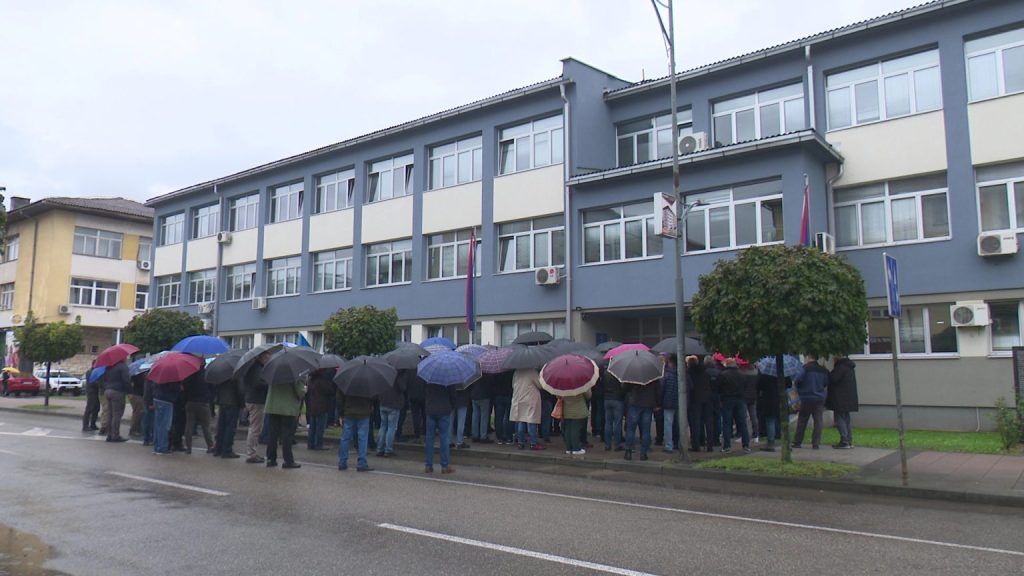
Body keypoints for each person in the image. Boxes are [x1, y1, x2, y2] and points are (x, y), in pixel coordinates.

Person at [264, 374, 303, 469]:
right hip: (287, 408)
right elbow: (300, 392)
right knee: (287, 435)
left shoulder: (273, 372)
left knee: (272, 434)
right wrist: (304, 387)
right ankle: (288, 460)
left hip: (272, 406)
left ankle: (270, 459)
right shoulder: (295, 374)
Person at [792, 355, 829, 449]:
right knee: (818, 421)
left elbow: (797, 380)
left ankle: (797, 442)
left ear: (809, 357)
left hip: (806, 398)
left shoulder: (805, 368)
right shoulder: (822, 370)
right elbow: (826, 383)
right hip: (819, 398)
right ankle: (816, 443)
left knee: (802, 420)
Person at [716, 357, 750, 453]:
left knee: (727, 423)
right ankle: (746, 445)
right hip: (740, 399)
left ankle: (727, 446)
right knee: (742, 423)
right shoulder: (742, 375)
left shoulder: (723, 375)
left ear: (727, 364)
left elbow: (718, 387)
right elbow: (745, 387)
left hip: (727, 400)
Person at [243, 351, 272, 464]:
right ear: (261, 357)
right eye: (266, 356)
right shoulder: (257, 369)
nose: (268, 358)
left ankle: (252, 452)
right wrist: (268, 383)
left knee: (255, 427)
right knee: (255, 428)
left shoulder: (255, 368)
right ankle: (251, 454)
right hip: (256, 400)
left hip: (253, 399)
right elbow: (257, 384)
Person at [623, 376, 660, 461]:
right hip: (648, 404)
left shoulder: (632, 373)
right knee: (646, 430)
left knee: (631, 429)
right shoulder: (653, 375)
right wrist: (658, 403)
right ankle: (643, 453)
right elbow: (658, 390)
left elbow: (626, 388)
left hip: (635, 402)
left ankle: (628, 452)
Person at [338, 387, 374, 471]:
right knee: (362, 438)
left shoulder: (346, 380)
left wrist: (341, 412)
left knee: (345, 438)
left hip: (349, 411)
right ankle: (362, 462)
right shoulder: (368, 381)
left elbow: (339, 397)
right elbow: (373, 396)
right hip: (363, 412)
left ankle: (342, 461)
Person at [423, 379, 456, 473]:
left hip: (431, 409)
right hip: (444, 409)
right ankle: (445, 466)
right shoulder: (449, 378)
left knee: (429, 438)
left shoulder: (429, 378)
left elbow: (425, 392)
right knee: (444, 438)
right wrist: (451, 406)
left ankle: (428, 465)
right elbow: (453, 395)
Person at [828, 355, 859, 449]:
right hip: (848, 398)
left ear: (838, 358)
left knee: (839, 418)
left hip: (840, 399)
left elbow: (833, 379)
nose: (833, 359)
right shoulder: (849, 367)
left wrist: (827, 373)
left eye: (834, 357)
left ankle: (844, 441)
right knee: (846, 419)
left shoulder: (840, 367)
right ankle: (849, 440)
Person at [510, 368, 544, 451]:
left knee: (521, 420)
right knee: (531, 421)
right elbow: (540, 385)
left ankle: (521, 443)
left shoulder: (517, 371)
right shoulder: (532, 371)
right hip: (530, 399)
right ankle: (533, 443)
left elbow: (513, 385)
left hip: (519, 398)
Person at [183, 365, 214, 454]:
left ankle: (188, 447)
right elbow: (212, 388)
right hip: (203, 402)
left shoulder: (189, 374)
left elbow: (185, 389)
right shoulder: (206, 375)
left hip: (190, 402)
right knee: (206, 426)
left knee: (189, 425)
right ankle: (210, 445)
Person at [376, 368, 407, 458]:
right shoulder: (398, 375)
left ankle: (379, 448)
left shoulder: (384, 374)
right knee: (391, 427)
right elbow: (403, 388)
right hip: (394, 404)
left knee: (383, 426)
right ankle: (388, 449)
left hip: (383, 402)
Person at [214, 370, 245, 458]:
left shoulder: (222, 373)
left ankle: (218, 448)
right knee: (230, 427)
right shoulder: (238, 373)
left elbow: (216, 386)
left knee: (221, 426)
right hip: (233, 402)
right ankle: (227, 450)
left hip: (222, 401)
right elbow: (240, 390)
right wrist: (242, 403)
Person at [687, 355, 714, 452]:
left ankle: (696, 445)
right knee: (708, 422)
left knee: (696, 423)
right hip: (707, 398)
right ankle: (710, 445)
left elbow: (689, 387)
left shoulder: (689, 373)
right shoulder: (705, 372)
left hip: (695, 399)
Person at [306, 368, 334, 451]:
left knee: (312, 426)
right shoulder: (322, 381)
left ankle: (310, 444)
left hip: (312, 405)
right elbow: (330, 391)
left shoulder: (311, 380)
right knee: (320, 427)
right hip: (321, 405)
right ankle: (318, 444)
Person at [104, 358, 130, 442]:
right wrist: (129, 390)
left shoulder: (108, 367)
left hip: (108, 390)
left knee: (110, 414)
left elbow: (105, 378)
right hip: (118, 391)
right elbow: (126, 380)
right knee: (117, 414)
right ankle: (115, 435)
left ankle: (109, 434)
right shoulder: (123, 367)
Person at [152, 379, 181, 454]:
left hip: (157, 398)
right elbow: (173, 388)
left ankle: (156, 446)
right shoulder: (173, 377)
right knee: (165, 425)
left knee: (158, 424)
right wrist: (179, 387)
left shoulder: (160, 374)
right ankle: (163, 447)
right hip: (167, 400)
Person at [756, 369, 782, 452]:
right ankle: (782, 439)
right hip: (780, 398)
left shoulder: (765, 374)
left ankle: (771, 442)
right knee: (779, 419)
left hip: (768, 399)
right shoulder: (782, 371)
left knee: (770, 420)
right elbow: (788, 384)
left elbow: (758, 386)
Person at [602, 370, 626, 451]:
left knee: (608, 423)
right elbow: (623, 388)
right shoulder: (620, 373)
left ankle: (607, 444)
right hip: (618, 399)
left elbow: (602, 385)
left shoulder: (605, 373)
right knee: (617, 423)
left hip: (607, 399)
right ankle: (617, 444)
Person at [562, 389, 591, 455]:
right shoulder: (580, 381)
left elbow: (558, 396)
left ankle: (569, 448)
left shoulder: (563, 383)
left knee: (568, 429)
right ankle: (576, 448)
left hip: (567, 410)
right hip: (578, 410)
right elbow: (588, 395)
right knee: (575, 429)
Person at [661, 354, 680, 454]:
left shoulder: (667, 375)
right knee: (678, 424)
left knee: (668, 424)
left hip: (668, 402)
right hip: (679, 402)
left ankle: (669, 445)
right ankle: (678, 443)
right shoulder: (681, 374)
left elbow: (662, 389)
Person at [491, 370, 514, 445]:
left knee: (498, 417)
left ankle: (499, 438)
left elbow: (493, 383)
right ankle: (509, 437)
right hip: (508, 395)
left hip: (498, 395)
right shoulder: (511, 371)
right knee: (509, 417)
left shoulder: (496, 371)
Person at [470, 372, 492, 444]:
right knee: (484, 417)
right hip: (484, 395)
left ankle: (475, 435)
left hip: (474, 395)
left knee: (475, 415)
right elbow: (489, 384)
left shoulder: (473, 372)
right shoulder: (486, 373)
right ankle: (483, 436)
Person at [81, 364, 100, 432]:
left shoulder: (96, 371)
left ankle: (93, 424)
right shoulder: (90, 372)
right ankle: (85, 425)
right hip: (91, 392)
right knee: (90, 408)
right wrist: (100, 383)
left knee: (97, 408)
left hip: (96, 392)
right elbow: (92, 382)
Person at [128, 371, 146, 437]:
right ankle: (134, 430)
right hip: (137, 395)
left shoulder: (135, 373)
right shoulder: (138, 375)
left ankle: (136, 429)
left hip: (135, 394)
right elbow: (140, 383)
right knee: (138, 413)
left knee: (137, 412)